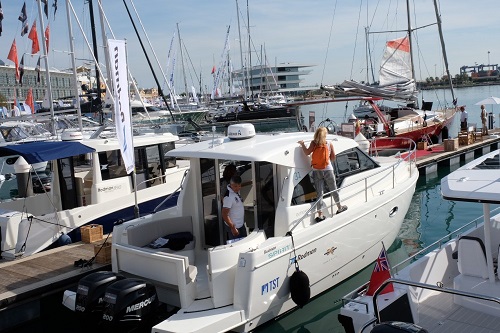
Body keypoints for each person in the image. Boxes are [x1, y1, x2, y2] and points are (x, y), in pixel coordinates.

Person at [298, 127, 347, 223]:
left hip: (316, 170)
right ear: (325, 135)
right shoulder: (329, 143)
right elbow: (333, 158)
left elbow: (307, 152)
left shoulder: (313, 143)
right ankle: (339, 207)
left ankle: (320, 214)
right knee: (333, 189)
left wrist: (302, 144)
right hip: (328, 169)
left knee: (319, 193)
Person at [222, 175, 247, 241]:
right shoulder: (228, 197)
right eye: (235, 186)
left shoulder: (236, 192)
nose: (238, 188)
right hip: (234, 227)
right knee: (236, 246)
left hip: (240, 225)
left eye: (239, 186)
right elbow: (224, 214)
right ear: (231, 185)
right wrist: (232, 227)